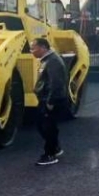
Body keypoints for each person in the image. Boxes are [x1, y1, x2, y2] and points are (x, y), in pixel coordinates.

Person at [31, 38, 69, 166]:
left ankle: (50, 154)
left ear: (43, 48)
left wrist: (50, 102)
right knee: (42, 125)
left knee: (48, 127)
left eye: (33, 48)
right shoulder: (47, 60)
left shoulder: (53, 61)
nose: (31, 51)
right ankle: (56, 147)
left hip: (51, 100)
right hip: (45, 99)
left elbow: (56, 83)